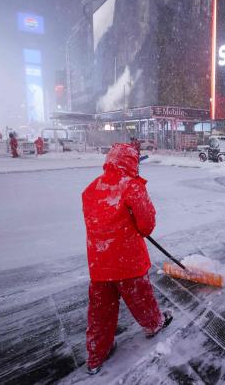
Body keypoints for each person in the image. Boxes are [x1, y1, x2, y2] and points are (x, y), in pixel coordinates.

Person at [81, 143, 172, 375]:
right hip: (128, 261)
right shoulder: (132, 187)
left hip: (100, 264)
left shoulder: (91, 188)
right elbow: (147, 226)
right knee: (142, 300)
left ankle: (96, 355)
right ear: (131, 163)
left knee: (100, 312)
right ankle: (154, 325)